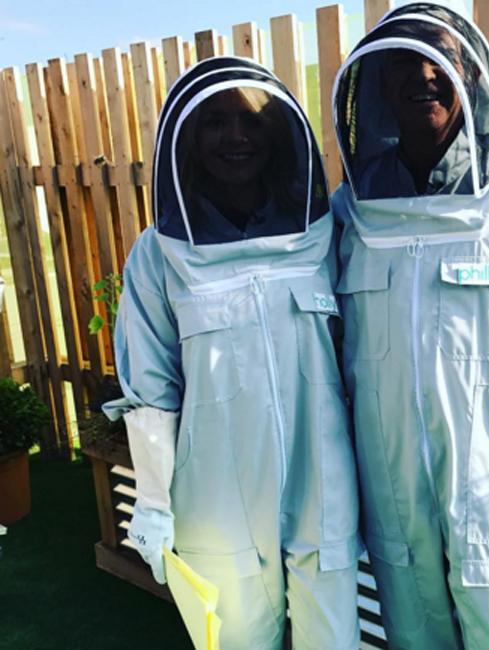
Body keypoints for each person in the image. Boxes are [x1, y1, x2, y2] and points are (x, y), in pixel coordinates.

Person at [331, 2, 489, 648]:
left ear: (470, 73)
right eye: (404, 62)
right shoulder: (350, 212)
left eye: (440, 57)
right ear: (379, 84)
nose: (424, 74)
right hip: (391, 496)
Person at [104, 56, 361, 650]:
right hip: (217, 496)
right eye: (215, 122)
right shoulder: (158, 254)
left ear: (277, 133)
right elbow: (151, 389)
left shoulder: (323, 234)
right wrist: (152, 500)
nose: (235, 136)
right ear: (189, 140)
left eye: (249, 120)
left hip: (324, 482)